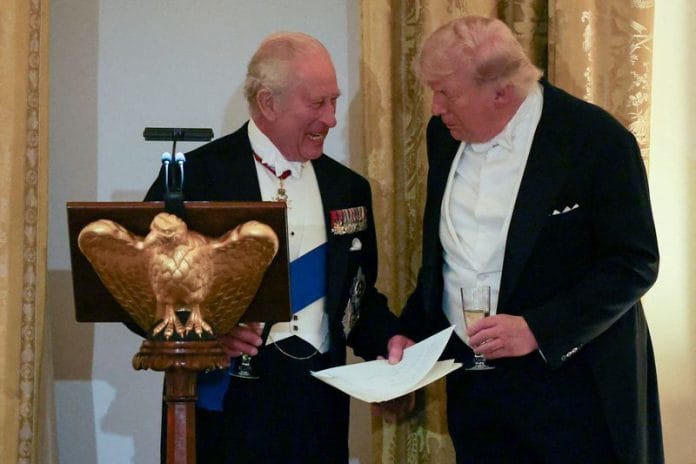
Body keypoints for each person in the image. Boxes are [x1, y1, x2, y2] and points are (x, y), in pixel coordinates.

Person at [398, 16, 663, 463]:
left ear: (501, 93)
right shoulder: (442, 135)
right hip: (475, 394)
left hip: (572, 394)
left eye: (446, 93)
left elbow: (634, 263)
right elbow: (448, 256)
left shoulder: (597, 141)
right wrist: (412, 331)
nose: (435, 107)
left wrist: (538, 329)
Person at [144, 32, 412, 464]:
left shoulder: (347, 188)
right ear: (268, 103)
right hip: (225, 409)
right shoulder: (196, 179)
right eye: (318, 103)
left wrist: (390, 340)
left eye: (334, 101)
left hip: (318, 411)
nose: (331, 119)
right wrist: (206, 333)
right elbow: (141, 289)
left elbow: (356, 298)